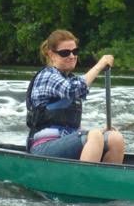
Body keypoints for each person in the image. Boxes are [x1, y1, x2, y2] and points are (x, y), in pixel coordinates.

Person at [26, 29, 125, 163]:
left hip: (64, 142)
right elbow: (74, 90)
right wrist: (99, 65)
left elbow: (69, 125)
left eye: (75, 51)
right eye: (65, 53)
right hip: (43, 146)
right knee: (94, 135)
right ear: (51, 54)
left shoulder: (69, 79)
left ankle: (107, 181)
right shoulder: (48, 76)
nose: (72, 56)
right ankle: (83, 181)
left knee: (115, 138)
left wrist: (102, 133)